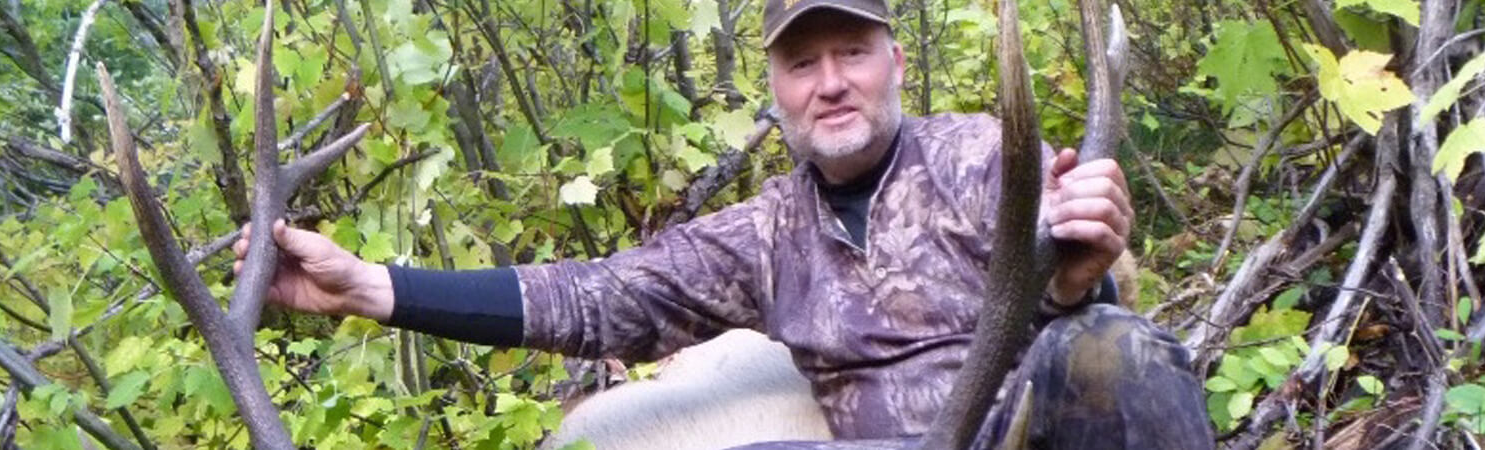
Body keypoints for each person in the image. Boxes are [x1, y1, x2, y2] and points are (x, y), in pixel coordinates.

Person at [235, 0, 1213, 448]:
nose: (831, 82)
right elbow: (598, 298)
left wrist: (1083, 276)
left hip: (1016, 434)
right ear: (775, 88)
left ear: (894, 60)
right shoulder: (762, 234)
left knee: (1113, 351)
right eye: (803, 63)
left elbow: (1086, 308)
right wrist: (374, 287)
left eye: (851, 52)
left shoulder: (987, 158)